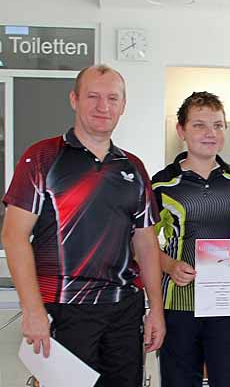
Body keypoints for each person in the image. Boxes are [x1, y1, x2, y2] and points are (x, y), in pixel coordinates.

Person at [1, 65, 165, 386]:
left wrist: (155, 309)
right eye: (93, 96)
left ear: (123, 106)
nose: (103, 107)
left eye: (112, 99)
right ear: (74, 100)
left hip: (124, 309)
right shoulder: (43, 157)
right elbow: (13, 235)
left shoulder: (133, 167)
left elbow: (145, 244)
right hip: (65, 308)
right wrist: (32, 310)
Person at [152, 91, 230, 387]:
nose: (210, 133)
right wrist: (169, 265)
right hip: (178, 303)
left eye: (218, 125)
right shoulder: (162, 184)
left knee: (227, 381)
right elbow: (141, 245)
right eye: (199, 125)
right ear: (181, 131)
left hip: (225, 301)